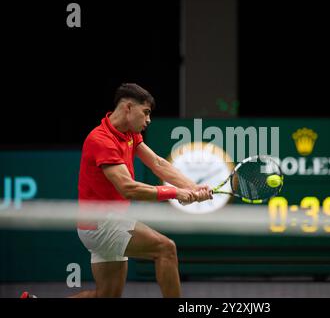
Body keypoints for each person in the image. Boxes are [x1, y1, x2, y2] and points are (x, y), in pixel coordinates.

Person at [22, 83, 212, 298]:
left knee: (106, 296)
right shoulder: (101, 140)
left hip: (104, 222)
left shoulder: (129, 134)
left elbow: (158, 163)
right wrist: (175, 193)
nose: (149, 120)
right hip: (101, 224)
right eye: (146, 112)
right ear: (128, 108)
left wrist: (193, 187)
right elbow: (128, 188)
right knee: (165, 249)